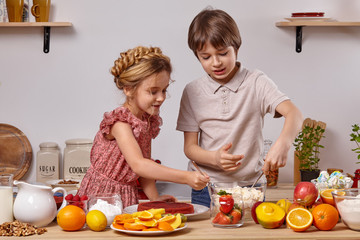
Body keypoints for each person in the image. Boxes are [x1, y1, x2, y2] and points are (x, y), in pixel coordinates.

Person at [176, 8, 303, 207]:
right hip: (206, 188)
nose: (216, 62)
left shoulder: (257, 82)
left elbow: (294, 114)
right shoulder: (192, 91)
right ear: (197, 56)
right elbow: (190, 147)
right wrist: (214, 158)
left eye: (223, 53)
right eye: (205, 57)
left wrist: (283, 144)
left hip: (250, 187)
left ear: (236, 47)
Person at [78, 46, 209, 208]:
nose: (161, 98)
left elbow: (145, 167)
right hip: (102, 196)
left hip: (126, 195)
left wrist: (155, 198)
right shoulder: (120, 123)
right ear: (128, 89)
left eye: (164, 90)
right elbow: (139, 164)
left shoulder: (146, 122)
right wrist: (186, 177)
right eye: (153, 92)